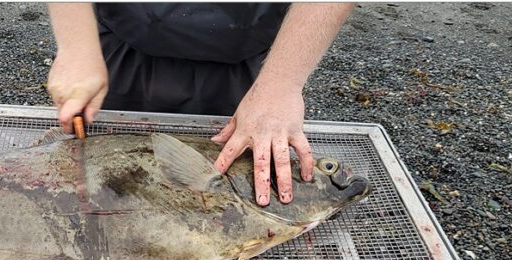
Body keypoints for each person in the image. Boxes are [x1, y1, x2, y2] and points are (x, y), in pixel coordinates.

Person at [46, 2, 355, 206]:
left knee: (228, 198)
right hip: (122, 41)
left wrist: (282, 82)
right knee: (98, 192)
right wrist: (76, 45)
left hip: (245, 57)